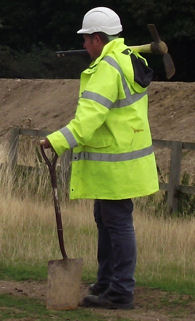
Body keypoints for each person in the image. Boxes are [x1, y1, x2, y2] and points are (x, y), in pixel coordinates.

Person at [41, 7, 159, 309]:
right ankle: (107, 282)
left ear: (97, 39)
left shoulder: (106, 69)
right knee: (107, 221)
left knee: (117, 224)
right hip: (123, 160)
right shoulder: (129, 60)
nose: (83, 46)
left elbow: (88, 120)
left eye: (85, 40)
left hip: (114, 162)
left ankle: (120, 291)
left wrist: (55, 141)